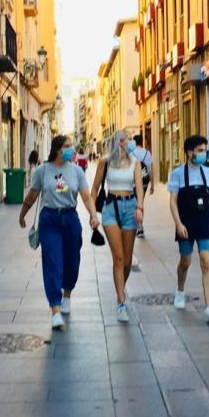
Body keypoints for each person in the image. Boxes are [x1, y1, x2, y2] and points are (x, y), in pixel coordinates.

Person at [20, 135, 100, 329]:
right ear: (57, 149)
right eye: (66, 146)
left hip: (70, 220)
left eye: (71, 146)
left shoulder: (76, 171)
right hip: (50, 220)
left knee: (72, 262)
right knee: (53, 262)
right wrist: (23, 214)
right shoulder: (43, 170)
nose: (70, 149)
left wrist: (93, 215)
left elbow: (86, 196)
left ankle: (67, 294)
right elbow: (32, 195)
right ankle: (55, 308)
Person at [169, 135, 209, 323]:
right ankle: (180, 290)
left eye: (204, 150)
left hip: (204, 221)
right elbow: (173, 201)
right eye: (200, 150)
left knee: (206, 261)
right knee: (185, 261)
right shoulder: (177, 173)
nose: (203, 154)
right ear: (189, 152)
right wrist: (178, 223)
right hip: (185, 223)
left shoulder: (208, 173)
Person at [91, 130, 145, 323]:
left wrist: (140, 208)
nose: (129, 142)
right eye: (126, 139)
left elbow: (139, 188)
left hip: (130, 207)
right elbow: (94, 189)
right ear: (118, 142)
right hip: (110, 209)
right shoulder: (105, 161)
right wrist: (92, 215)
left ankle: (120, 289)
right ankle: (121, 302)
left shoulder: (135, 163)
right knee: (119, 258)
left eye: (130, 139)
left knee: (128, 262)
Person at [132, 134, 154, 238]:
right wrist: (152, 184)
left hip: (132, 182)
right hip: (144, 181)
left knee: (134, 203)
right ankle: (140, 227)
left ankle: (136, 226)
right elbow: (150, 170)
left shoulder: (130, 153)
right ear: (142, 141)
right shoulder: (147, 153)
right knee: (140, 202)